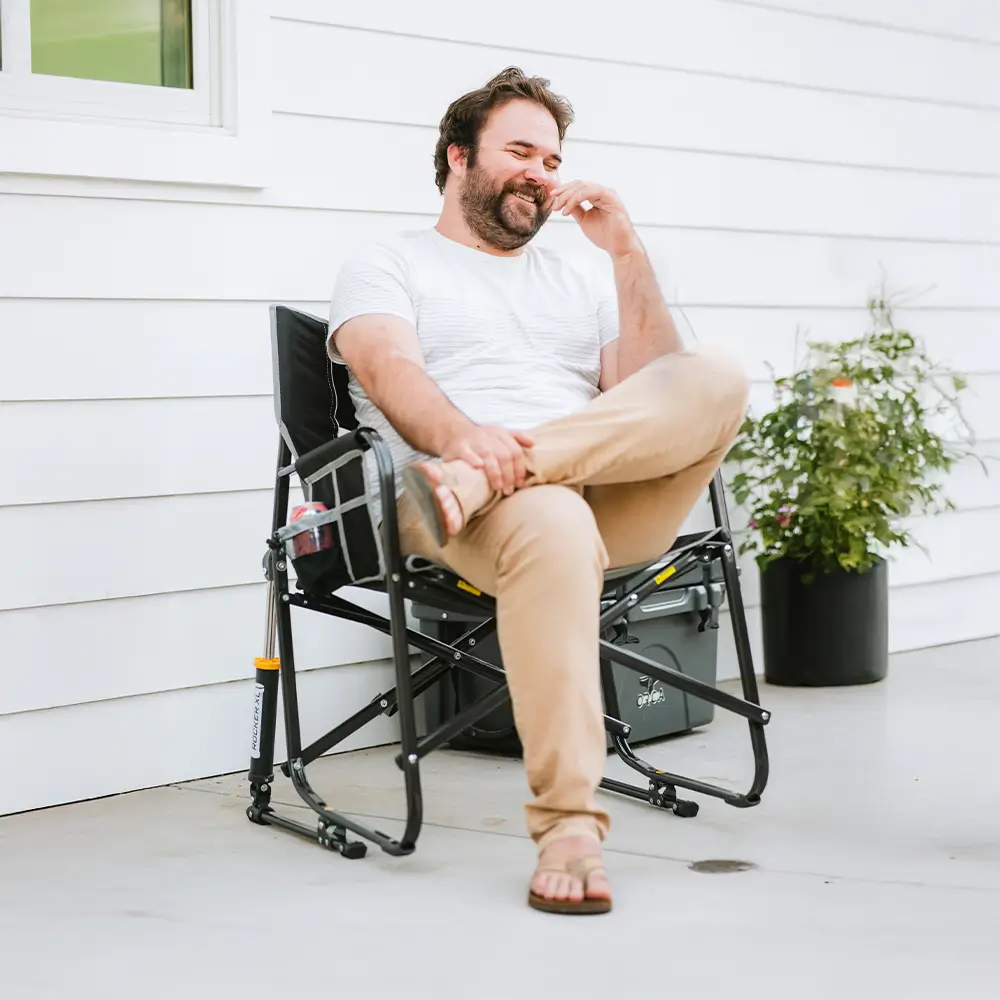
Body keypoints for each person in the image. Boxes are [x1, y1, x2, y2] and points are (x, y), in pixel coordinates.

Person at [328, 67, 749, 915]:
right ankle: (569, 828)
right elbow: (388, 368)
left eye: (551, 159)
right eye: (519, 151)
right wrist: (463, 443)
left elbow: (656, 390)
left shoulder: (581, 276)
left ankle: (513, 468)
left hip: (588, 486)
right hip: (449, 500)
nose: (540, 173)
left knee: (717, 374)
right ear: (458, 156)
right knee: (551, 520)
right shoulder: (389, 262)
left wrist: (625, 251)